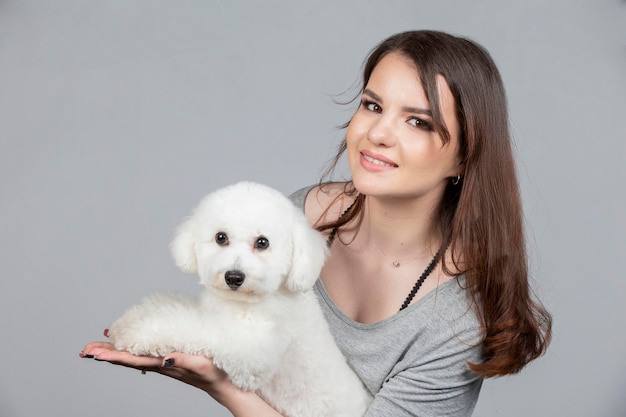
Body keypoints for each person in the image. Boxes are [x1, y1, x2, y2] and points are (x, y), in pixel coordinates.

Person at [81, 30, 552, 416]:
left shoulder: (454, 321)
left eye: (418, 122)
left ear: (464, 157)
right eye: (372, 105)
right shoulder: (299, 216)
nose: (378, 133)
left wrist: (225, 389)